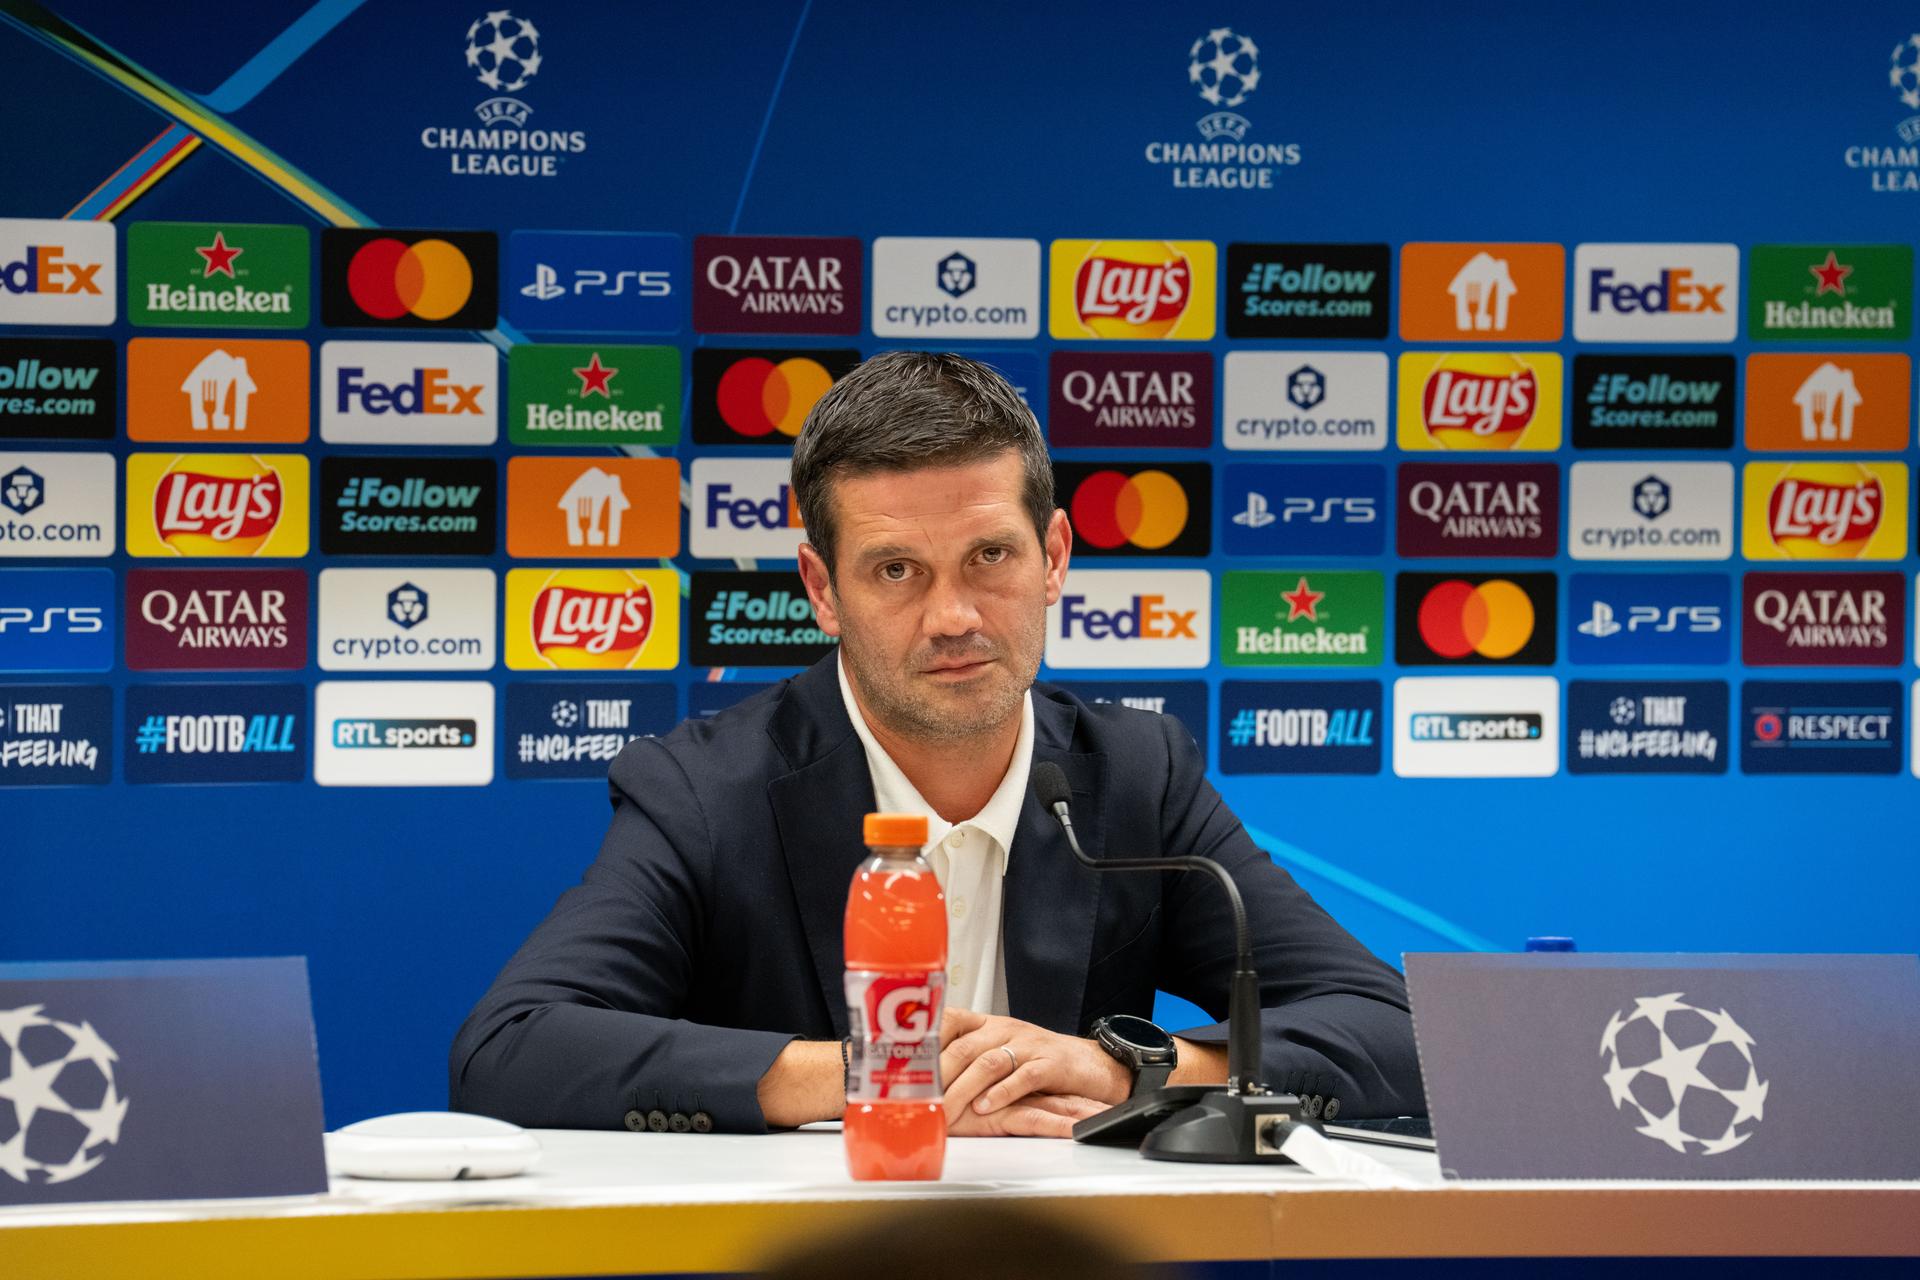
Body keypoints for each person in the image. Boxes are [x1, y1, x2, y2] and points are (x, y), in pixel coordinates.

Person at [450, 352, 1424, 1136]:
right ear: (823, 590)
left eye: (989, 556)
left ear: (1053, 557)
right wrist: (876, 1072)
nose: (953, 615)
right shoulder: (709, 790)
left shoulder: (1137, 775)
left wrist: (1132, 1065)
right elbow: (510, 1047)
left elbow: (1398, 1030)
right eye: (896, 569)